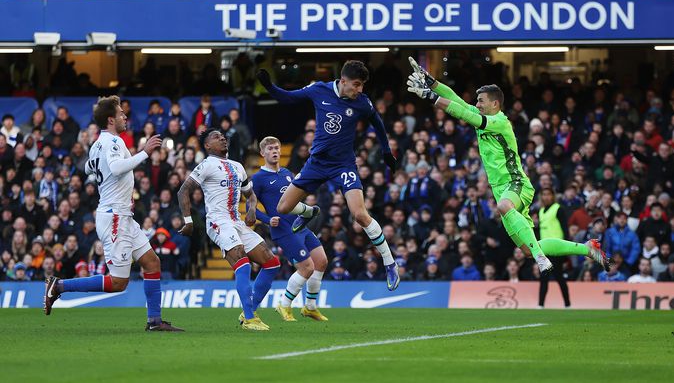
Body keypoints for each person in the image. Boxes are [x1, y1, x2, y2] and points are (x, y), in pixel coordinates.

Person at [406, 57, 610, 275]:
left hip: (516, 184)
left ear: (494, 103)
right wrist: (432, 81)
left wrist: (430, 96)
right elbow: (457, 101)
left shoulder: (500, 122)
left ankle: (541, 258)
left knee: (504, 208)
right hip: (500, 190)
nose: (477, 105)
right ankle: (587, 249)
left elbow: (462, 112)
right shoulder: (481, 114)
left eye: (481, 101)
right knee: (529, 248)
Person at [256, 61, 400, 291]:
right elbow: (287, 98)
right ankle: (309, 212)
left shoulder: (361, 102)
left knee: (360, 215)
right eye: (356, 84)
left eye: (362, 85)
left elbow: (378, 123)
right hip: (317, 163)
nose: (360, 90)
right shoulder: (319, 90)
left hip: (343, 165)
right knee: (283, 208)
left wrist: (386, 152)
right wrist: (269, 86)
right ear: (343, 81)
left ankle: (390, 263)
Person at [43, 96, 182, 332]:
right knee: (118, 282)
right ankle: (59, 286)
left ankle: (155, 321)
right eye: (120, 113)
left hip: (121, 215)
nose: (125, 116)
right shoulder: (113, 143)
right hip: (114, 216)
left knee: (151, 262)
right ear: (110, 119)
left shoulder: (99, 143)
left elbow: (87, 167)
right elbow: (117, 168)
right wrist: (145, 152)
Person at [177, 129, 279, 331]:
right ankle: (250, 318)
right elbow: (183, 190)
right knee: (243, 261)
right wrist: (188, 221)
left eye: (223, 136)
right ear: (207, 146)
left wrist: (251, 210)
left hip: (237, 222)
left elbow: (250, 195)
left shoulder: (237, 166)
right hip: (217, 222)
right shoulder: (206, 165)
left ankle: (248, 312)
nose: (222, 138)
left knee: (272, 263)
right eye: (216, 137)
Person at [252, 136, 329, 322]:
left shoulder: (287, 173)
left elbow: (296, 198)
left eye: (277, 148)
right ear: (262, 153)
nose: (275, 151)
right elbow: (250, 208)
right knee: (307, 267)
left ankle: (310, 307)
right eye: (270, 148)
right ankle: (284, 304)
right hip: (283, 230)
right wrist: (268, 220)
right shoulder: (258, 178)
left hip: (299, 225)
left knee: (321, 261)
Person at [536, 188, 571, 308]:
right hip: (544, 250)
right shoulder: (540, 211)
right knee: (543, 277)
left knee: (559, 276)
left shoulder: (558, 209)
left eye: (548, 194)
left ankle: (567, 304)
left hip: (557, 249)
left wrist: (566, 249)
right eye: (544, 195)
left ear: (553, 196)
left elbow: (565, 230)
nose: (546, 197)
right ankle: (540, 305)